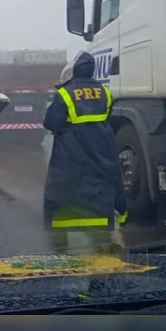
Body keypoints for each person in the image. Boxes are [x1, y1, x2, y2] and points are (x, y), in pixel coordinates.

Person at [42, 51, 126, 254]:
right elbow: (106, 115)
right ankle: (108, 234)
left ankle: (61, 240)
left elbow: (52, 122)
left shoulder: (64, 93)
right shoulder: (105, 92)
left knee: (63, 188)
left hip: (71, 152)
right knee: (103, 184)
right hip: (102, 148)